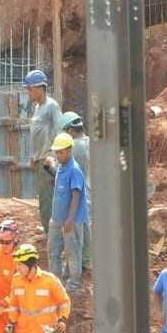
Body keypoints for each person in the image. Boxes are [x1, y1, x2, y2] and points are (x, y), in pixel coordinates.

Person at [22, 70, 62, 233]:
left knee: (47, 198)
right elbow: (37, 134)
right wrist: (33, 156)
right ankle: (49, 229)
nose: (28, 92)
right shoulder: (38, 107)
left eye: (30, 89)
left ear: (39, 88)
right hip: (39, 158)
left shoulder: (51, 106)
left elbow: (60, 131)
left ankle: (51, 233)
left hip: (48, 160)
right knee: (44, 197)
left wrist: (52, 156)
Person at [48, 133, 88, 293]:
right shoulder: (61, 167)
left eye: (61, 152)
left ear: (69, 150)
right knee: (53, 251)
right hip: (57, 219)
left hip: (71, 220)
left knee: (72, 253)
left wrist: (70, 220)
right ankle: (55, 283)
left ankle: (73, 285)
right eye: (56, 152)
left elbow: (76, 196)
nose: (58, 155)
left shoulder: (74, 170)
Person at [59, 112, 92, 269]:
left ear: (70, 131)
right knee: (86, 227)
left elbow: (68, 173)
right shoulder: (89, 142)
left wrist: (52, 166)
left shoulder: (76, 147)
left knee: (78, 231)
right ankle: (86, 260)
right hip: (90, 192)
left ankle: (80, 264)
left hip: (79, 194)